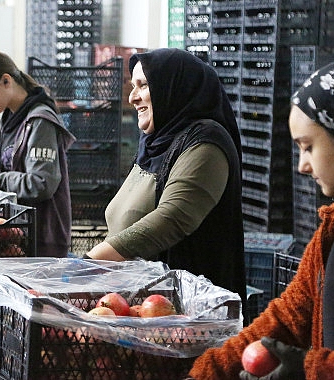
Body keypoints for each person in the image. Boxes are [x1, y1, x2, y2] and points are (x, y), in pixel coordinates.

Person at [188, 57, 334, 380]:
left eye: (308, 147)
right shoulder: (331, 235)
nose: (301, 165)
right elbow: (287, 320)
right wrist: (208, 371)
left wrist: (313, 370)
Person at [83, 48, 247, 304]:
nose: (133, 97)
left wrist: (91, 261)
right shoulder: (154, 143)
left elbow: (173, 217)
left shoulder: (205, 142)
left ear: (174, 87)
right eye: (133, 86)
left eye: (144, 85)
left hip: (185, 316)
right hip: (141, 306)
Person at [0, 51, 75, 257]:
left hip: (40, 240)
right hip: (17, 233)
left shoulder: (39, 121)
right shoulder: (12, 120)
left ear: (6, 81)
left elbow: (40, 184)